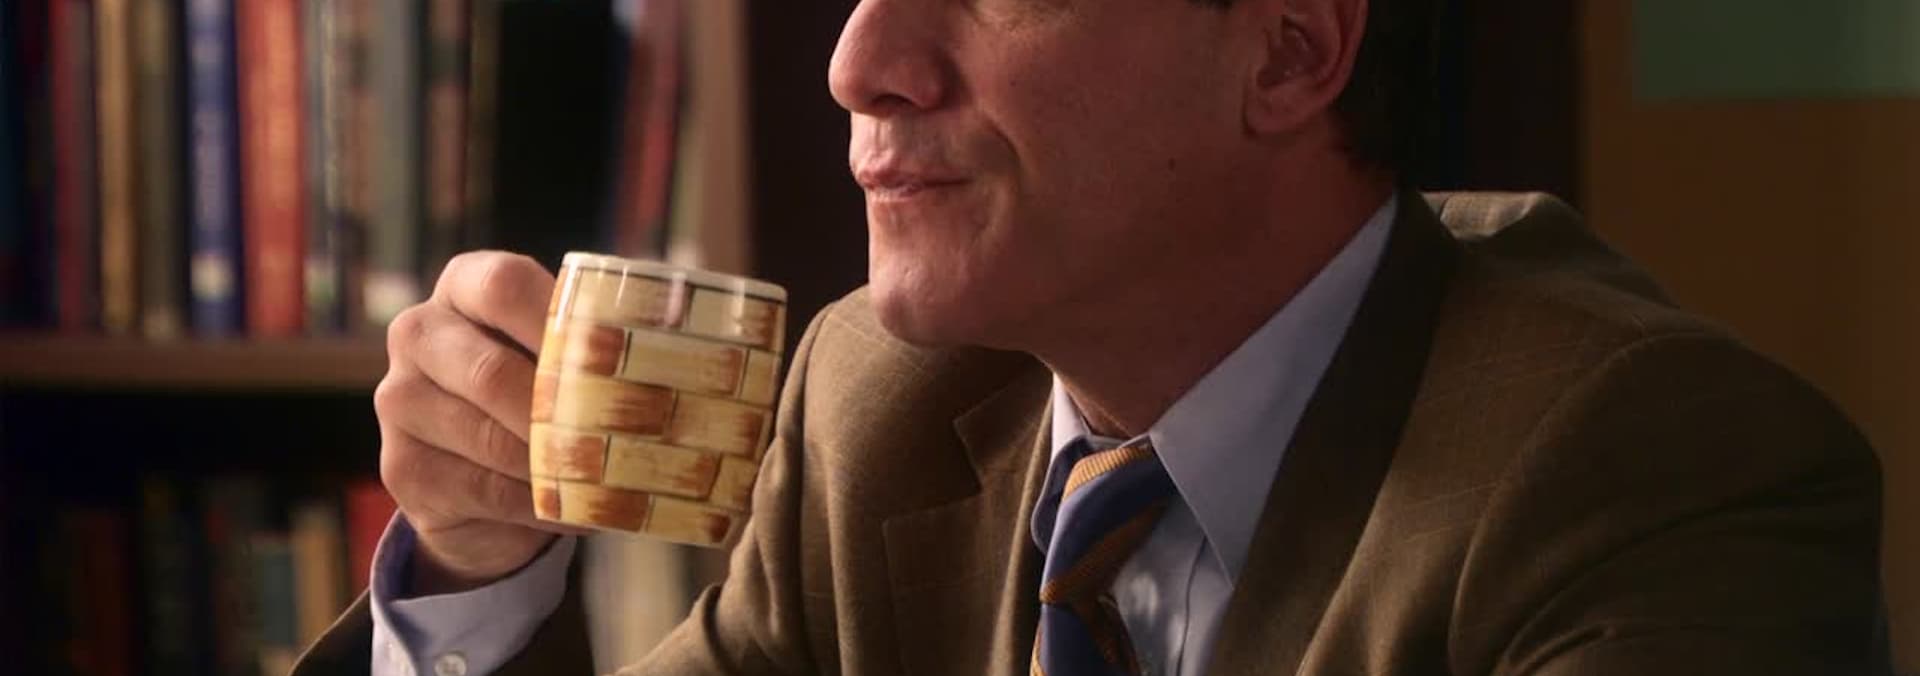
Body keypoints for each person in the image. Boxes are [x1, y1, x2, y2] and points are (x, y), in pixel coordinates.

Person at [295, 0, 1892, 674]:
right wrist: (481, 574)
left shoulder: (1650, 476)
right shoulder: (876, 404)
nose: (859, 61)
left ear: (1289, 51)